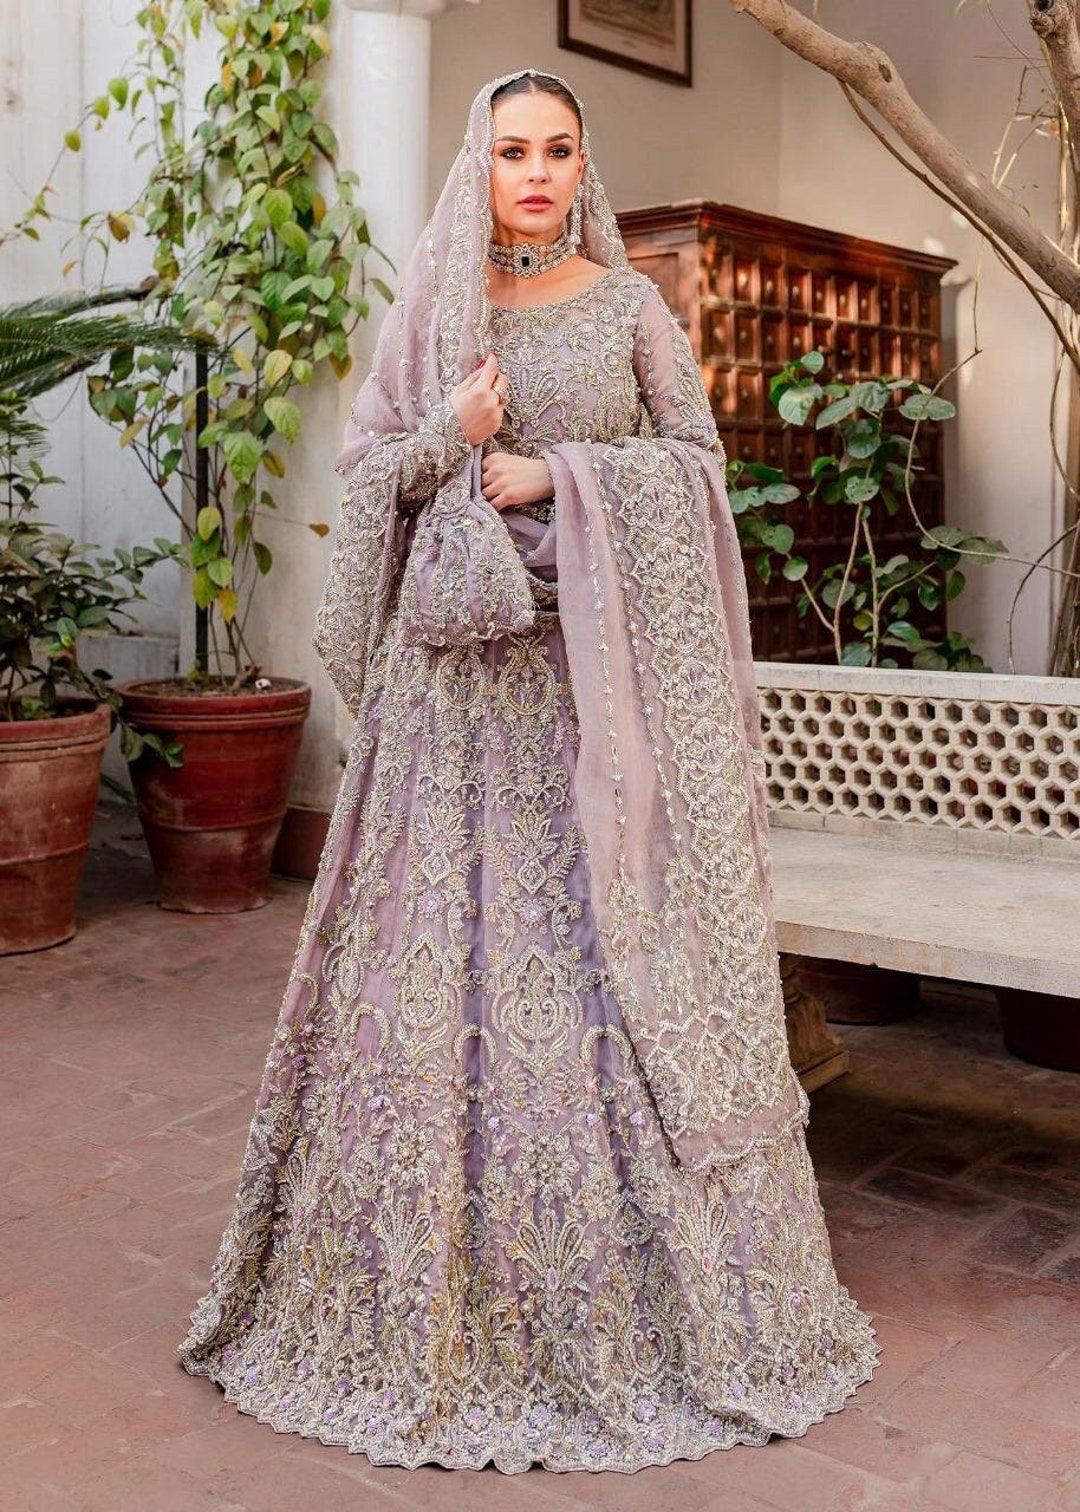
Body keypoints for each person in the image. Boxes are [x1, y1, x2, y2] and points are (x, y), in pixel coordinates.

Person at [177, 66, 881, 1475]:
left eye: (559, 149)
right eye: (514, 151)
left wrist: (558, 478)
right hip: (452, 707)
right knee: (439, 967)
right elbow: (370, 474)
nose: (539, 174)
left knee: (588, 959)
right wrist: (452, 437)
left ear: (583, 165)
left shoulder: (631, 311)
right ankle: (416, 1300)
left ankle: (635, 1307)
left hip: (586, 702)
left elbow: (695, 468)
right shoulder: (435, 312)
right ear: (481, 164)